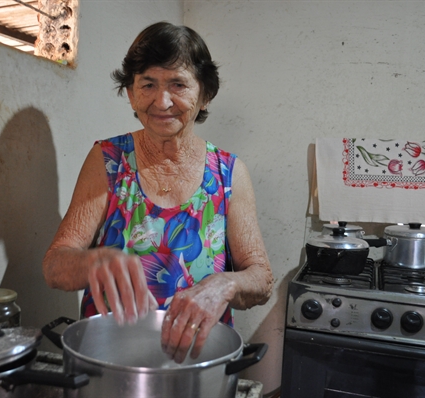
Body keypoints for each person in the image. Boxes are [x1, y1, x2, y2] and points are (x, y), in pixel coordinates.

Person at [42, 21, 273, 364]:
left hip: (197, 364)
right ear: (132, 93)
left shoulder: (228, 174)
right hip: (110, 362)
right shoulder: (108, 161)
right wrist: (93, 261)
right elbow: (54, 266)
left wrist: (224, 285)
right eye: (148, 84)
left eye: (178, 84)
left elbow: (261, 277)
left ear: (205, 93)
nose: (162, 101)